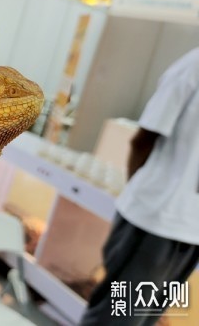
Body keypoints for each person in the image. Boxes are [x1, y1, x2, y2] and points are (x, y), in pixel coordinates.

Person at [79, 47, 199, 326]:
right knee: (118, 318)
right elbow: (144, 138)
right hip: (154, 220)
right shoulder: (191, 67)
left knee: (144, 318)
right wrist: (141, 192)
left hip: (190, 231)